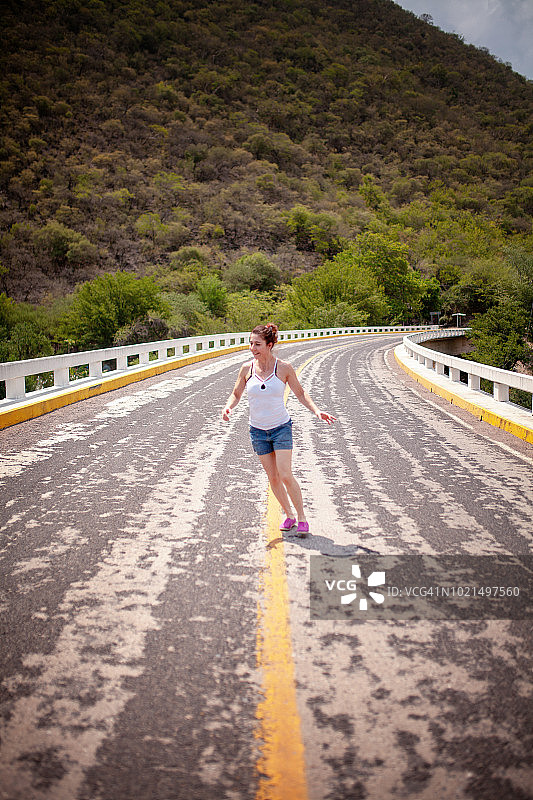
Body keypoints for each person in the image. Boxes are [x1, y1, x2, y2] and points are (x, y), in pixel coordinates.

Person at [221, 323, 336, 535]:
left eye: (257, 344)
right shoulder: (246, 369)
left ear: (270, 345)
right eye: (251, 344)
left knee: (284, 474)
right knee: (272, 478)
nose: (252, 348)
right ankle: (289, 515)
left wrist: (317, 411)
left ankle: (301, 518)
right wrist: (228, 407)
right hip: (257, 431)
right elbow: (236, 394)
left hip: (281, 427)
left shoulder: (283, 368)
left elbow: (300, 393)